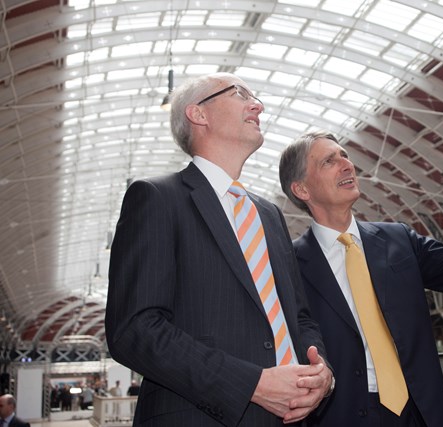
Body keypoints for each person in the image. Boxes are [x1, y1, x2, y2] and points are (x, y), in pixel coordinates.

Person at [105, 72, 333, 426]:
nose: (257, 105)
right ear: (198, 114)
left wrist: (321, 372)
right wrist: (250, 384)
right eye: (240, 94)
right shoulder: (157, 197)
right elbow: (134, 329)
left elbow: (299, 317)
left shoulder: (268, 214)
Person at [278, 121, 443, 426]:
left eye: (345, 155)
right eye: (329, 161)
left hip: (422, 413)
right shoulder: (289, 264)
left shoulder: (398, 240)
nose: (347, 165)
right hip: (341, 415)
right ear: (301, 189)